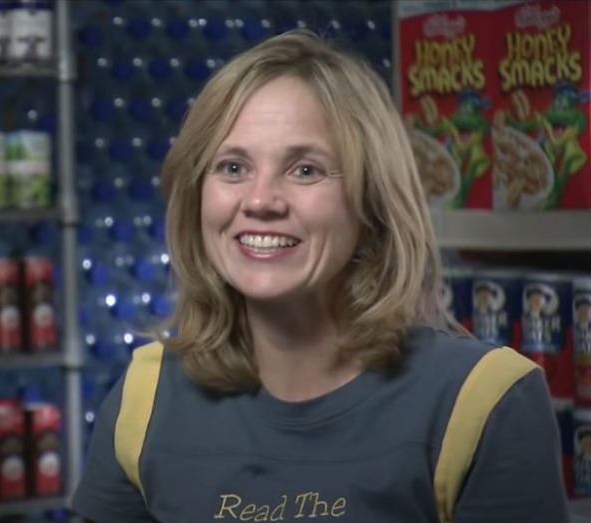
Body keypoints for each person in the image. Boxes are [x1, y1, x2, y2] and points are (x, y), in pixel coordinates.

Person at [72, 31, 568, 522]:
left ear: (372, 201)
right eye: (232, 166)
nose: (261, 201)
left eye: (305, 170)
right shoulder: (145, 394)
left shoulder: (485, 401)